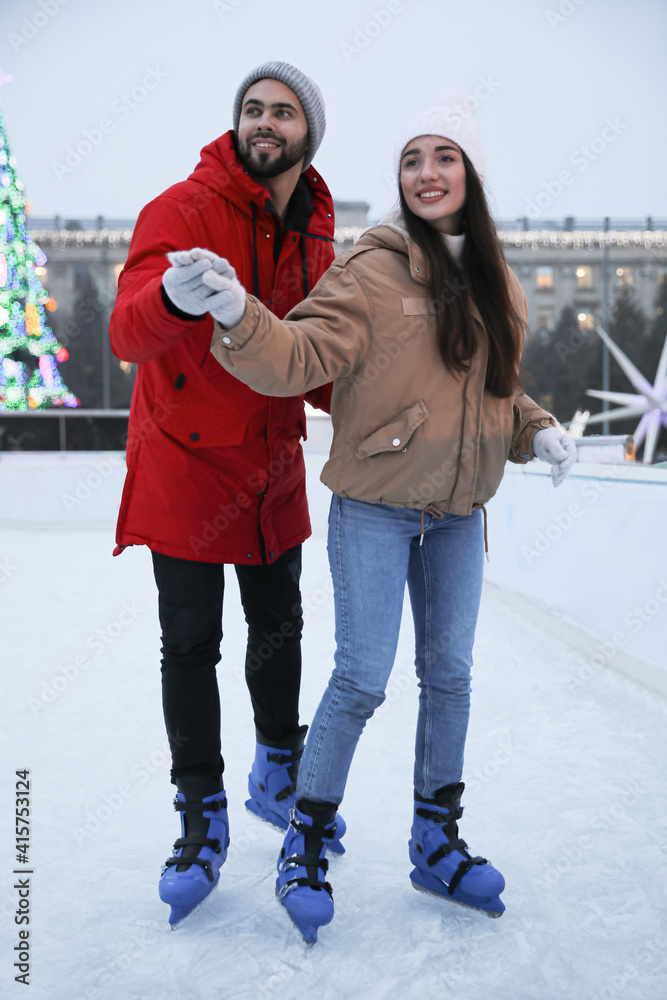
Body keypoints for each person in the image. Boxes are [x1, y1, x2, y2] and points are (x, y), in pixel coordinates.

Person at [174, 97, 577, 942]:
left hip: (459, 517)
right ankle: (306, 837)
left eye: (444, 157)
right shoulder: (370, 268)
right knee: (360, 679)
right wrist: (235, 314)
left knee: (452, 678)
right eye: (411, 159)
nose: (426, 173)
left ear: (468, 173)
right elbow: (298, 355)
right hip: (376, 510)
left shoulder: (499, 280)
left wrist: (533, 429)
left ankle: (436, 840)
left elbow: (490, 390)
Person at [108, 61, 346, 927]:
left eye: (282, 112)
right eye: (253, 109)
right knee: (190, 643)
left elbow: (316, 357)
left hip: (270, 466)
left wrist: (385, 395)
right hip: (184, 463)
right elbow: (127, 326)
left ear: (307, 134)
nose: (264, 123)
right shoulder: (184, 208)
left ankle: (276, 767)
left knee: (280, 624)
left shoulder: (319, 229)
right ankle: (199, 811)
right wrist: (170, 296)